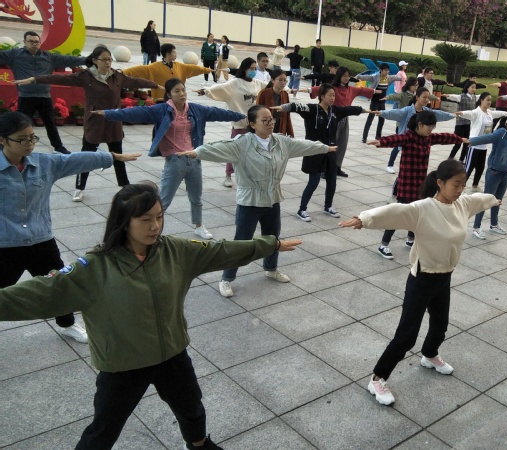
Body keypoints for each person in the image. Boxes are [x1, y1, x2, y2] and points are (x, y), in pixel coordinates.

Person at [0, 181, 301, 450]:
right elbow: (41, 292)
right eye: (145, 219)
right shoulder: (95, 267)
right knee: (104, 430)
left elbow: (221, 251)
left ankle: (198, 445)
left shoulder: (175, 251)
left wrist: (269, 244)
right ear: (124, 222)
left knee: (192, 409)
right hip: (123, 364)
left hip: (172, 353)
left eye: (159, 216)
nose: (155, 226)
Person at [339, 159, 499, 405]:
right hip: (422, 278)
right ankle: (377, 378)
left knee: (440, 325)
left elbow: (480, 199)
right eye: (456, 184)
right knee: (407, 335)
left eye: (463, 185)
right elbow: (394, 211)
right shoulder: (423, 209)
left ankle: (429, 355)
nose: (460, 190)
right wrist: (364, 219)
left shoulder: (463, 204)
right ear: (440, 183)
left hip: (445, 276)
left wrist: (495, 199)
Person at [0, 111, 140, 345]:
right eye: (22, 139)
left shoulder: (44, 163)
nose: (29, 144)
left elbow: (76, 160)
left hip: (40, 240)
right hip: (5, 244)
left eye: (32, 137)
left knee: (60, 285)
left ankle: (67, 324)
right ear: (2, 140)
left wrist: (112, 156)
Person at [176, 105, 334, 296]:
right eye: (264, 120)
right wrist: (197, 152)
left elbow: (302, 145)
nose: (270, 123)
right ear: (252, 124)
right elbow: (219, 147)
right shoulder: (242, 143)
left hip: (272, 199)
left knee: (272, 238)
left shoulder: (280, 142)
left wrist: (324, 148)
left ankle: (271, 269)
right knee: (241, 242)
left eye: (271, 119)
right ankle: (226, 278)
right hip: (249, 202)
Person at [96, 78, 244, 239]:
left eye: (183, 90)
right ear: (169, 94)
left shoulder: (195, 109)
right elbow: (136, 113)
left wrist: (242, 116)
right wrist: (108, 114)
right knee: (163, 200)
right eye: (177, 91)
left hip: (194, 158)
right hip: (174, 161)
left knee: (196, 197)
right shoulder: (162, 110)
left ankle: (199, 226)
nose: (182, 94)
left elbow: (217, 113)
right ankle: (151, 228)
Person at [14, 45, 159, 202]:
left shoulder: (117, 77)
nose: (107, 62)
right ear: (95, 60)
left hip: (113, 122)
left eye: (109, 59)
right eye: (104, 59)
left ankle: (125, 187)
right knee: (86, 157)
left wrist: (156, 85)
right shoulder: (86, 76)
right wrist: (35, 79)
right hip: (94, 123)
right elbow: (60, 79)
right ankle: (79, 188)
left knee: (119, 157)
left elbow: (135, 81)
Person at [366, 111, 465, 259]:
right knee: (399, 215)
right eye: (429, 126)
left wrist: (459, 139)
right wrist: (382, 141)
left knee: (418, 213)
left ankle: (410, 239)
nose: (431, 130)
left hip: (420, 184)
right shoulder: (409, 137)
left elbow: (444, 137)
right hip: (407, 184)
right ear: (420, 124)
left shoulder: (428, 138)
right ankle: (383, 245)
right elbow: (396, 138)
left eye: (433, 127)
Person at [273, 84, 366, 222]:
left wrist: (365, 110)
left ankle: (328, 206)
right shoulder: (312, 109)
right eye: (330, 95)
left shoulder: (335, 111)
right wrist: (283, 108)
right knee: (314, 181)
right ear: (322, 96)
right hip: (314, 150)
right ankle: (302, 209)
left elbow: (350, 110)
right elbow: (297, 107)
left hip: (331, 150)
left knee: (332, 180)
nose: (333, 98)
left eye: (334, 95)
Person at [0, 31, 86, 155]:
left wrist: (90, 60)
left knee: (50, 123)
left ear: (40, 43)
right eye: (31, 41)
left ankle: (58, 147)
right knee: (20, 125)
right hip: (26, 97)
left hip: (44, 96)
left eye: (36, 42)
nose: (34, 44)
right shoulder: (15, 55)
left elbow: (69, 59)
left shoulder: (48, 57)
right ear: (24, 42)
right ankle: (10, 147)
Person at [196, 57, 271, 187]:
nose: (253, 71)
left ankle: (252, 175)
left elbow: (273, 87)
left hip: (255, 124)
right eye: (251, 68)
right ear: (244, 69)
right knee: (234, 149)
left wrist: (288, 89)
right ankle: (228, 175)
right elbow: (221, 88)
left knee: (255, 150)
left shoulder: (258, 83)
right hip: (240, 123)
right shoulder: (235, 83)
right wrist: (205, 91)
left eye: (255, 69)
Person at [466, 111, 507, 239]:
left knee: (498, 200)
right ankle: (476, 227)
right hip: (494, 172)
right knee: (486, 200)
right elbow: (487, 138)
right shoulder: (501, 133)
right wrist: (471, 141)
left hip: (505, 172)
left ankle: (494, 224)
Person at [377, 88, 455, 181]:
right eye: (424, 97)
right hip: (408, 141)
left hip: (420, 143)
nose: (427, 100)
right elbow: (395, 113)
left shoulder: (427, 112)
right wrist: (381, 113)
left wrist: (453, 115)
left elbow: (439, 115)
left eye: (428, 98)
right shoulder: (408, 110)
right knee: (405, 165)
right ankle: (391, 168)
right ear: (417, 97)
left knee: (416, 167)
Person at [309, 66, 375, 177]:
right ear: (339, 76)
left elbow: (362, 90)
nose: (347, 78)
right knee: (330, 143)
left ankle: (337, 167)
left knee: (342, 143)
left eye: (348, 76)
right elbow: (320, 89)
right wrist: (309, 90)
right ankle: (324, 169)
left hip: (345, 119)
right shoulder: (332, 88)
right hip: (333, 117)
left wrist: (375, 91)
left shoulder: (351, 89)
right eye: (344, 76)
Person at [122, 43, 212, 101]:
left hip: (176, 100)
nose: (176, 55)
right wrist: (121, 72)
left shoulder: (179, 66)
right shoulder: (154, 67)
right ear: (167, 54)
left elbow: (193, 68)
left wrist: (207, 70)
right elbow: (137, 70)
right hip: (160, 100)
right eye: (174, 53)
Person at [459, 93, 507, 191]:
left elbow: (498, 113)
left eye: (490, 100)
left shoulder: (490, 113)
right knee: (468, 168)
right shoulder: (477, 112)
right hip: (474, 145)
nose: (490, 102)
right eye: (488, 100)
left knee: (480, 168)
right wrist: (461, 113)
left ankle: (475, 186)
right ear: (481, 100)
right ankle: (461, 187)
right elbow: (470, 113)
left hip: (484, 146)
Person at [357, 63, 402, 143]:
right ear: (381, 70)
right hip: (375, 101)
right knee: (370, 119)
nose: (387, 72)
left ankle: (378, 137)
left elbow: (396, 77)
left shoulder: (388, 78)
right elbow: (367, 77)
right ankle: (364, 137)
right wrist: (358, 76)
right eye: (385, 70)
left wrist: (403, 78)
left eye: (388, 70)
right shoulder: (375, 77)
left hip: (382, 102)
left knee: (381, 120)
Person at [445, 80, 479, 162]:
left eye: (475, 88)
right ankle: (449, 160)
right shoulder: (462, 96)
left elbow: (482, 97)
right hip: (460, 124)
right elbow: (454, 97)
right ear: (467, 88)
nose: (474, 89)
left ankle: (461, 160)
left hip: (469, 124)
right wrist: (448, 96)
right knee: (457, 143)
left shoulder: (475, 97)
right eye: (472, 87)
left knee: (466, 143)